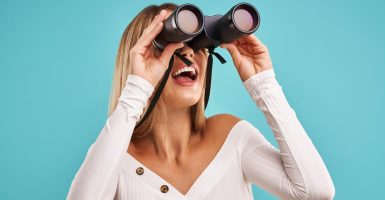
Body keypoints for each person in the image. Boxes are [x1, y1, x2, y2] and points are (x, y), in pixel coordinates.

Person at [67, 3, 335, 200]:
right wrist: (137, 89)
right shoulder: (116, 158)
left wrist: (263, 84)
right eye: (167, 45)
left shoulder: (231, 137)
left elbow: (315, 191)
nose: (187, 52)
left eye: (197, 44)